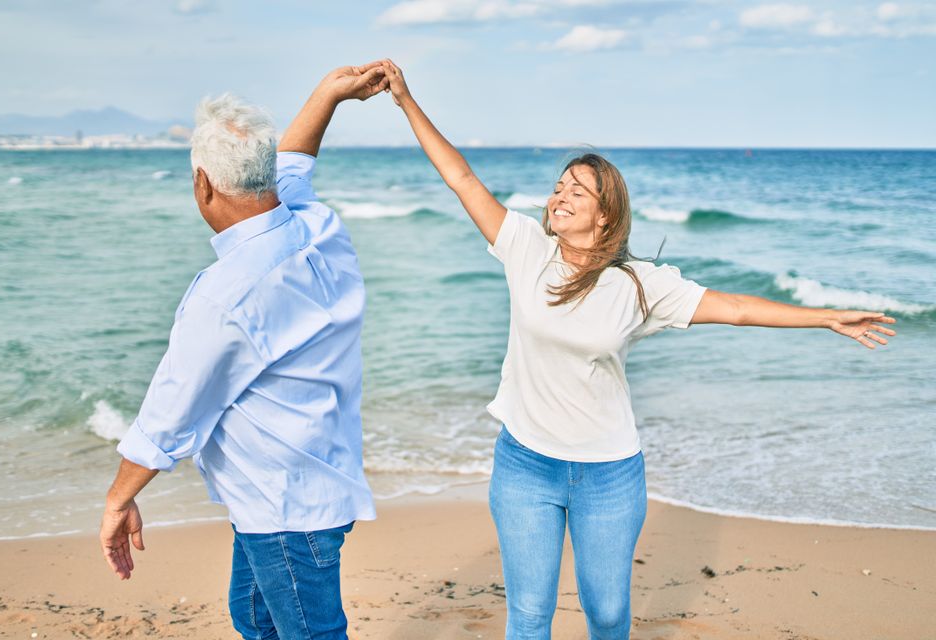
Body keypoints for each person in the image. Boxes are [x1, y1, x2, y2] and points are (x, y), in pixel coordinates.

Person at [378, 59, 897, 640]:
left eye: (578, 190)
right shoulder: (525, 249)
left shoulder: (640, 285)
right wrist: (405, 100)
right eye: (558, 187)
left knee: (606, 614)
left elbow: (737, 308)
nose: (560, 196)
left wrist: (827, 317)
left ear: (604, 218)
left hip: (608, 474)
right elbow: (463, 179)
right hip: (524, 463)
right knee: (527, 616)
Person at [98, 62, 390, 640]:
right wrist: (328, 95)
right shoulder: (317, 226)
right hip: (307, 485)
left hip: (286, 508)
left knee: (308, 633)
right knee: (255, 619)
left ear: (202, 184)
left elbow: (170, 412)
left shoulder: (226, 296)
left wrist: (117, 501)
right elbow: (295, 166)